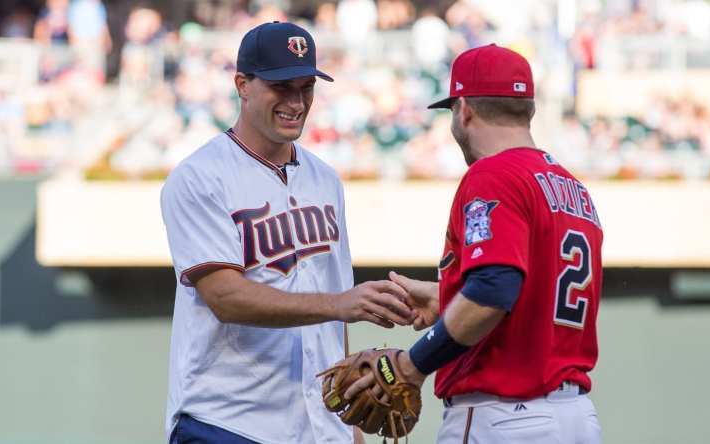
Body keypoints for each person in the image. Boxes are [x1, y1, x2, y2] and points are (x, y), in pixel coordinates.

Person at [161, 21, 414, 444]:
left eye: (306, 87)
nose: (296, 102)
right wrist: (340, 304)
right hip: (225, 420)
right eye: (282, 86)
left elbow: (335, 303)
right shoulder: (199, 178)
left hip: (317, 426)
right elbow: (225, 297)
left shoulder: (325, 179)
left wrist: (349, 423)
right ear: (242, 84)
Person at [343, 44, 604, 443]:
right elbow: (529, 293)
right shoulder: (572, 188)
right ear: (527, 110)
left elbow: (494, 290)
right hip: (575, 419)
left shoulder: (493, 174)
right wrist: (447, 296)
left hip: (504, 418)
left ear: (464, 109)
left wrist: (411, 365)